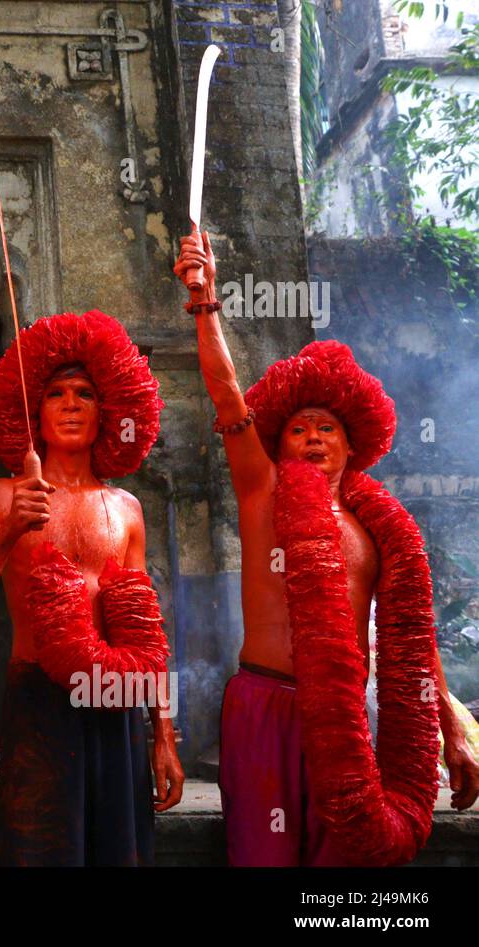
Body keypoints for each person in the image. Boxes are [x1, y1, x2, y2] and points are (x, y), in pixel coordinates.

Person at [175, 228, 479, 866]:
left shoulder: (377, 530)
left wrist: (450, 724)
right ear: (278, 444)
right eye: (298, 428)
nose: (312, 437)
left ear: (351, 443)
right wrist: (205, 304)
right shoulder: (262, 495)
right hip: (265, 705)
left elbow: (408, 636)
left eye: (327, 427)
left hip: (345, 721)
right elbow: (228, 396)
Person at [0, 310, 183, 865]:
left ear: (108, 412)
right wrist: (7, 533)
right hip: (39, 701)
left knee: (117, 854)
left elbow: (147, 628)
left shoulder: (126, 508)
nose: (72, 404)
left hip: (116, 699)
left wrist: (163, 735)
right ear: (35, 411)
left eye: (85, 393)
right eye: (56, 393)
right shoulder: (3, 496)